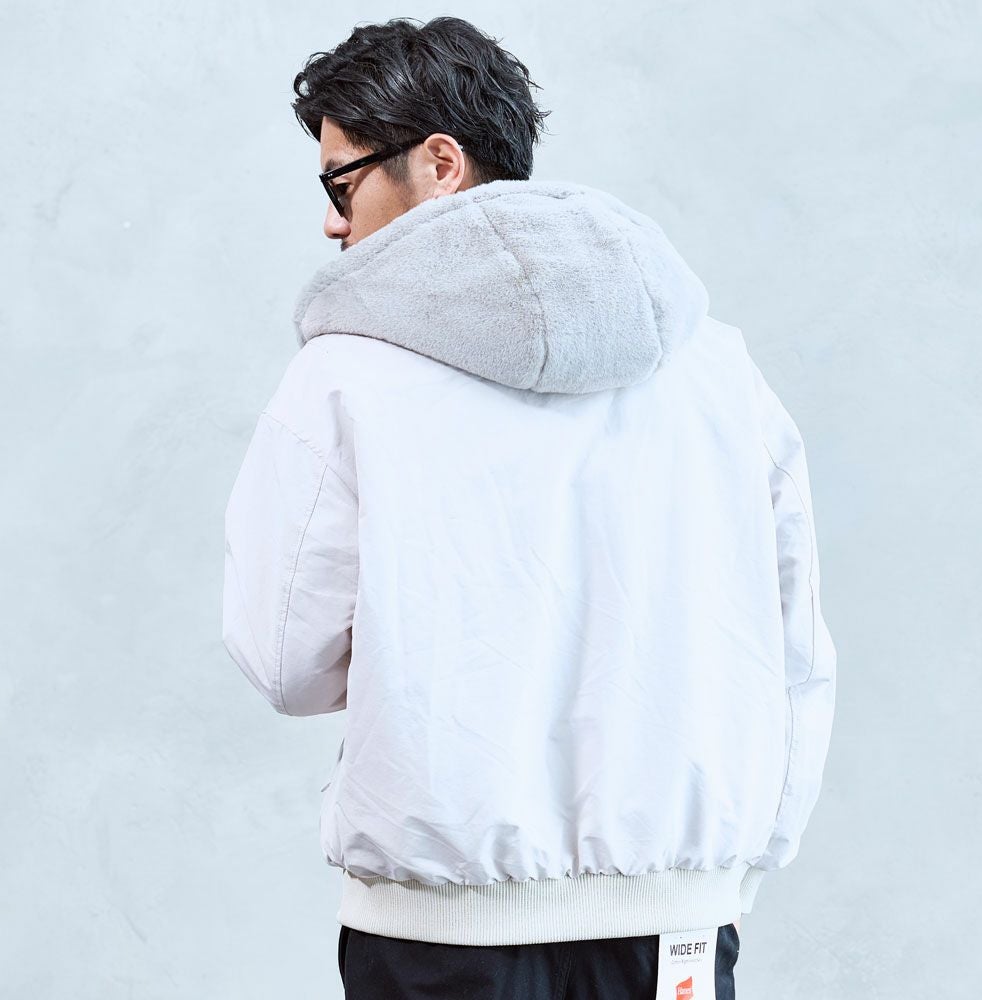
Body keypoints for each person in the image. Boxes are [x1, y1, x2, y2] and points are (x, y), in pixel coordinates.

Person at [221, 15, 837, 1000]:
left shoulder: (344, 375)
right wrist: (732, 860)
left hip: (442, 933)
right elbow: (794, 645)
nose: (333, 224)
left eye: (341, 184)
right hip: (677, 927)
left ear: (439, 163)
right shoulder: (718, 368)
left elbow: (286, 661)